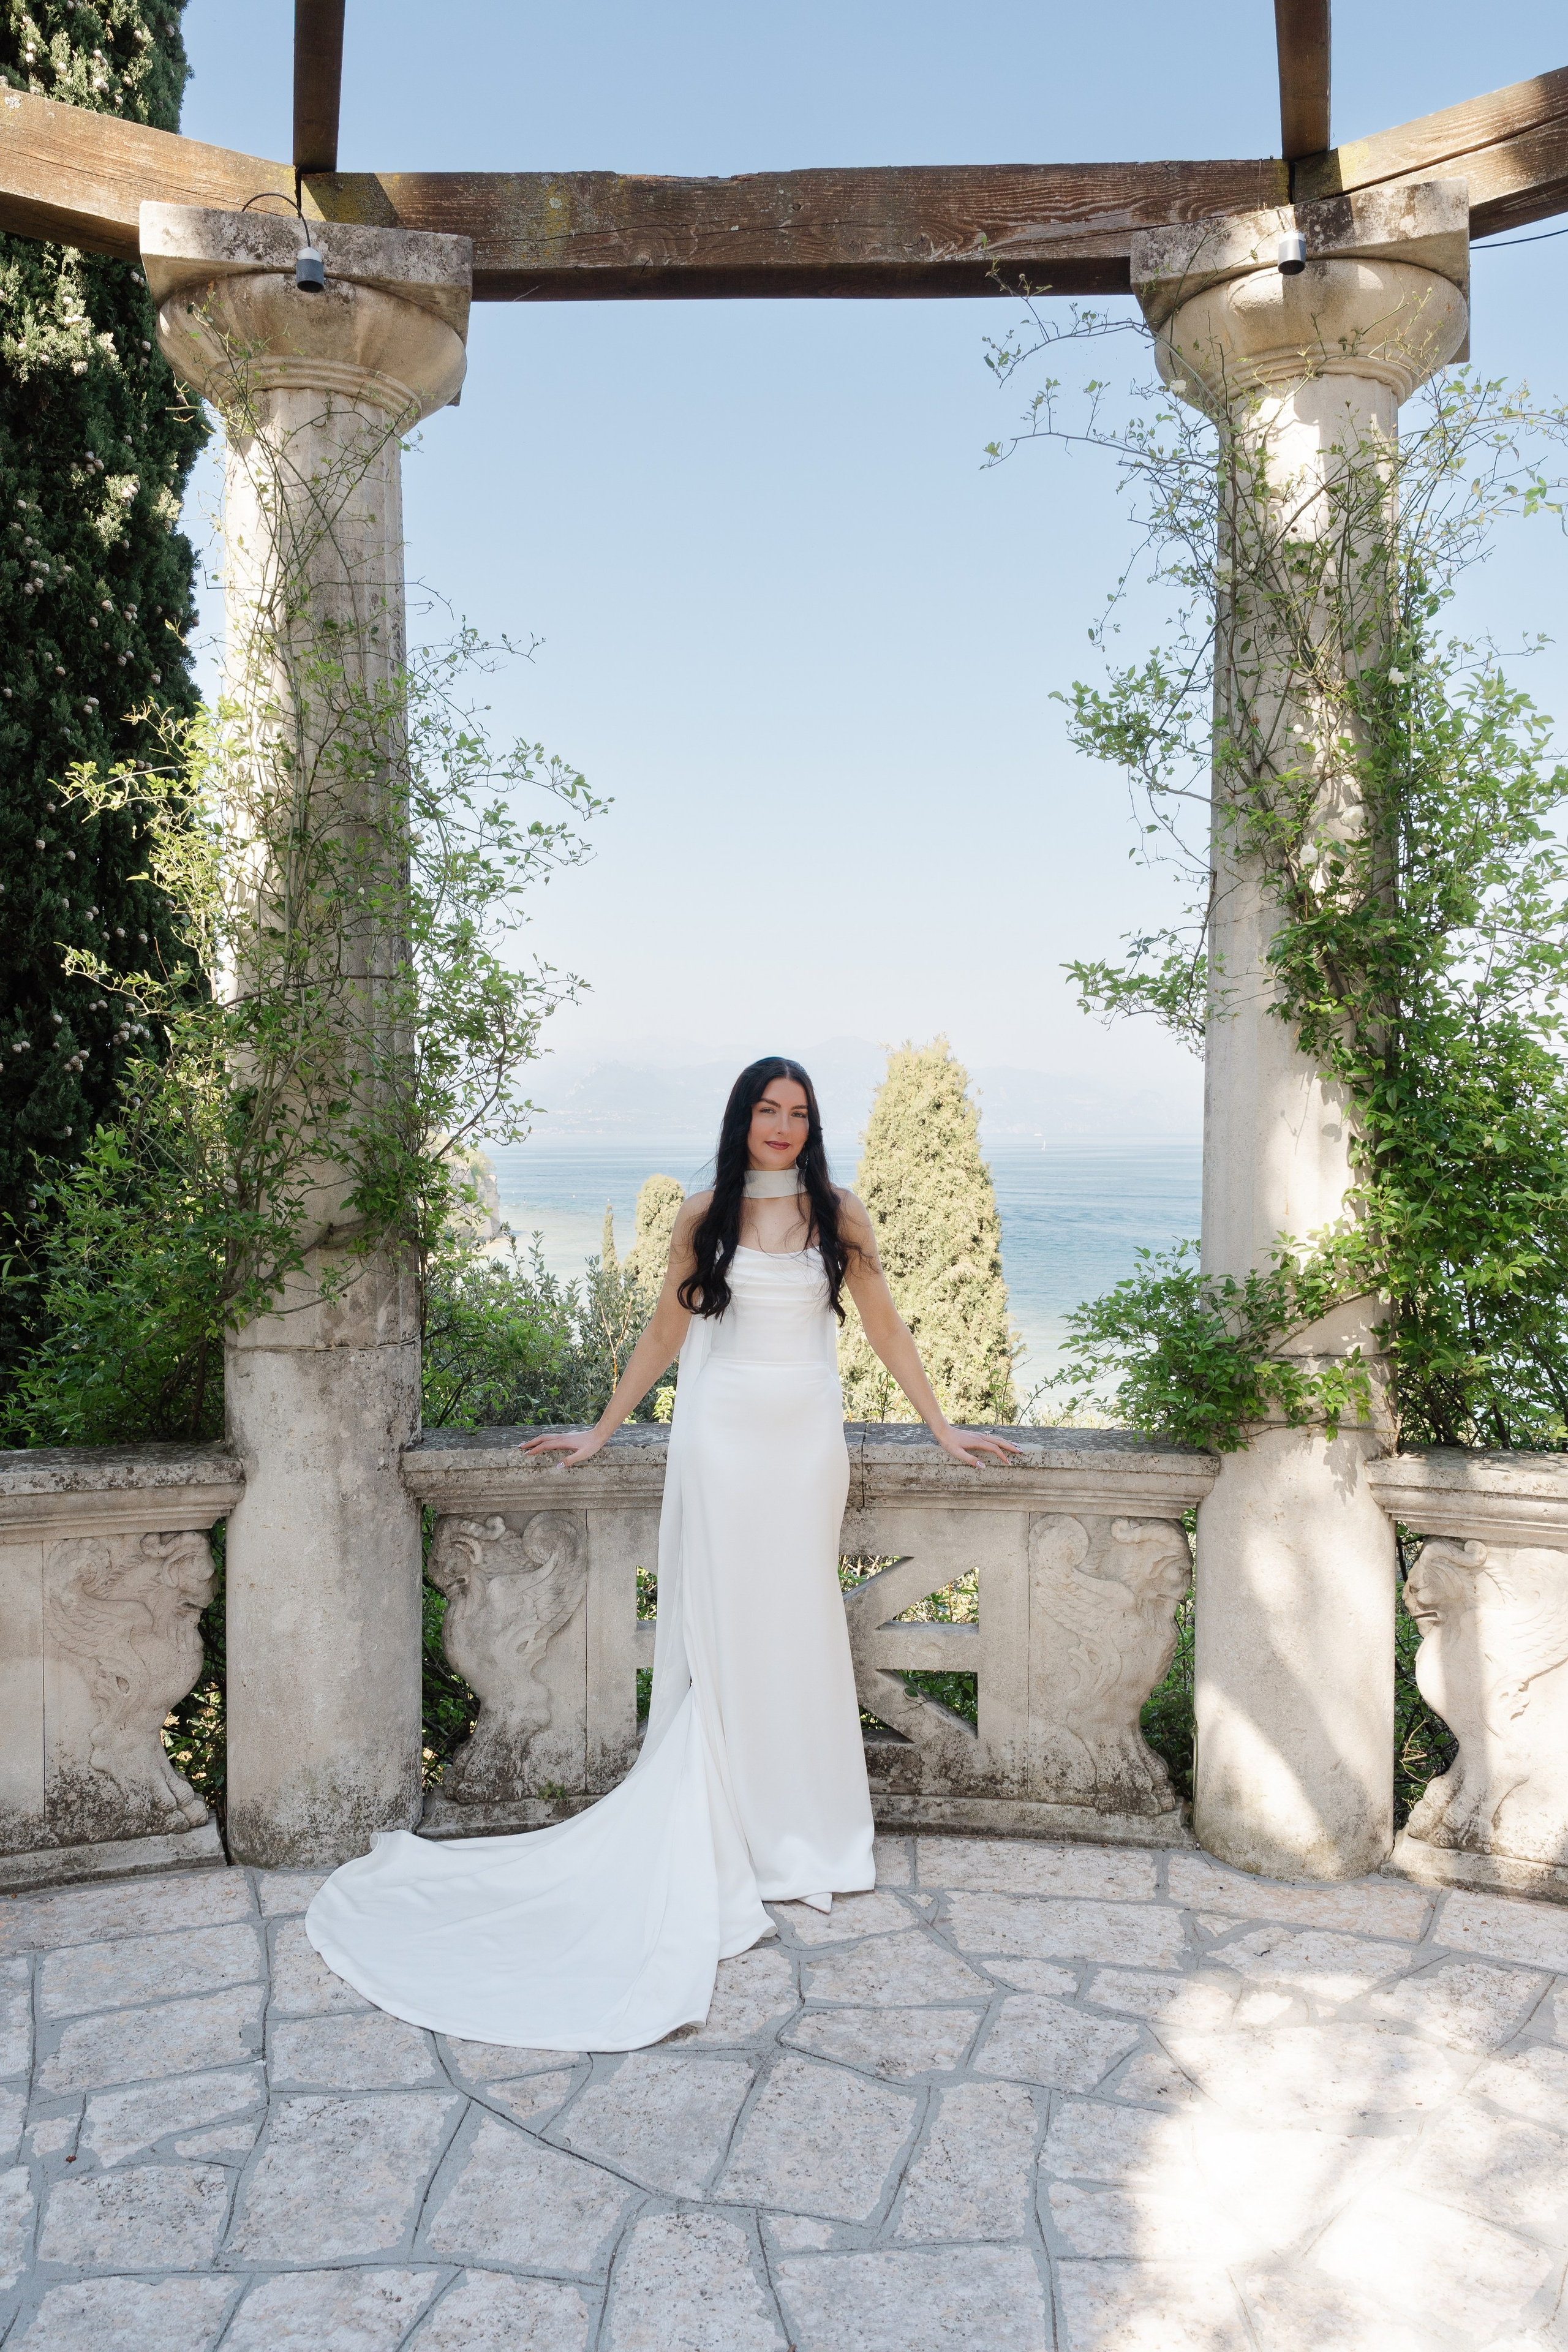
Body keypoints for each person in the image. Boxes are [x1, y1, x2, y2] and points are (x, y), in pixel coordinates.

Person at [306, 1055, 1019, 2051]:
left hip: (805, 1444)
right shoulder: (705, 1212)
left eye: (800, 1114)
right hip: (722, 1442)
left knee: (798, 1625)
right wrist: (602, 1431)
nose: (784, 1126)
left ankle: (801, 1833)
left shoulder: (841, 1213)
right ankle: (736, 1824)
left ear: (815, 1127)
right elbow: (663, 1333)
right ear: (743, 1118)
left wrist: (942, 1426)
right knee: (731, 1630)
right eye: (769, 1110)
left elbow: (887, 1328)